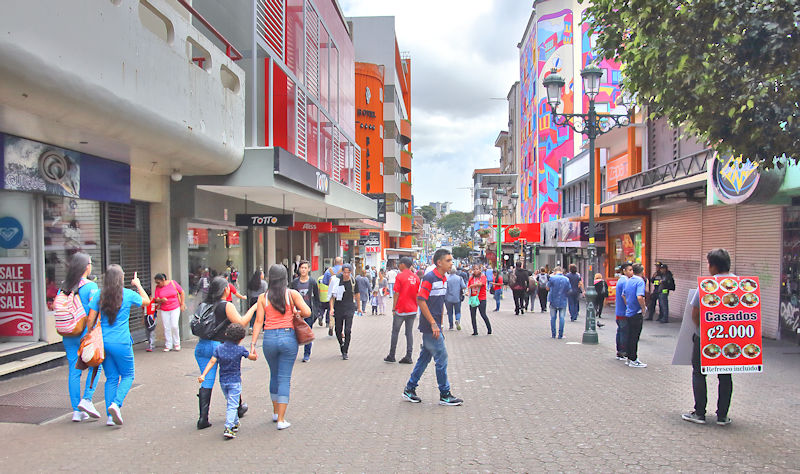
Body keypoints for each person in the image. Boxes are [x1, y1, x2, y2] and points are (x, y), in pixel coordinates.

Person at [85, 265, 150, 426]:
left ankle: (109, 416)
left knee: (111, 378)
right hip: (121, 342)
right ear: (121, 278)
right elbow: (147, 301)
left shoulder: (99, 295)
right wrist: (138, 284)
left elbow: (90, 319)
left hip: (104, 343)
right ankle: (116, 404)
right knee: (128, 375)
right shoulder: (127, 294)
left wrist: (91, 334)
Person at [250, 264, 312, 430]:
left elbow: (258, 322)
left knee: (274, 376)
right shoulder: (292, 294)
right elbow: (308, 312)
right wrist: (296, 312)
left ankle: (276, 412)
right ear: (285, 278)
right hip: (287, 338)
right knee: (284, 378)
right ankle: (281, 420)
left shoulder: (263, 298)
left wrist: (253, 344)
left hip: (269, 338)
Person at [194, 277, 258, 430]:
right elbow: (241, 323)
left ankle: (203, 418)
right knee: (230, 376)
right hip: (219, 345)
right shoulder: (226, 306)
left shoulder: (203, 304)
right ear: (225, 290)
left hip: (201, 346)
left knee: (207, 380)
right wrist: (254, 309)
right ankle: (238, 408)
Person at [402, 248, 463, 406]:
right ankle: (445, 394)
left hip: (435, 326)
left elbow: (439, 303)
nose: (451, 263)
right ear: (439, 262)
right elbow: (421, 300)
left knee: (424, 358)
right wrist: (433, 324)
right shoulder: (430, 278)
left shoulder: (443, 278)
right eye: (448, 261)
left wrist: (440, 324)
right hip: (430, 326)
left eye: (451, 260)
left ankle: (410, 389)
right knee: (441, 358)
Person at [683, 249, 735, 425]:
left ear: (713, 266)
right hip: (731, 338)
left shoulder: (707, 286)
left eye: (708, 264)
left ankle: (699, 413)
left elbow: (695, 312)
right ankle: (722, 415)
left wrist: (702, 328)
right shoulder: (742, 285)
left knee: (699, 372)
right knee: (725, 375)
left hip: (705, 336)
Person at [57, 252, 102, 422]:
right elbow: (95, 311)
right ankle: (87, 399)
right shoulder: (91, 287)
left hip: (68, 333)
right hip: (86, 333)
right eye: (90, 263)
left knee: (74, 370)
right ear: (86, 266)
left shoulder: (64, 286)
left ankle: (76, 410)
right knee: (95, 365)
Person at [198, 323, 257, 439]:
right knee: (233, 404)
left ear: (226, 334)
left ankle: (234, 423)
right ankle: (228, 427)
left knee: (231, 402)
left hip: (223, 381)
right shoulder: (240, 349)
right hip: (235, 381)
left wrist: (203, 374)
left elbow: (212, 361)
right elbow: (251, 357)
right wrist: (254, 354)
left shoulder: (219, 348)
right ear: (241, 339)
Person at [385, 257, 419, 364]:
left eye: (399, 264)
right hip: (412, 309)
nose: (398, 265)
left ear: (403, 264)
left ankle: (392, 355)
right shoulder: (416, 277)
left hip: (401, 309)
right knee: (409, 333)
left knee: (395, 332)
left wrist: (394, 308)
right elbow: (418, 294)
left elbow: (396, 293)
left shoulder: (400, 276)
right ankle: (409, 356)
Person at [328, 264, 360, 359]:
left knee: (348, 330)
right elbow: (331, 296)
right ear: (342, 272)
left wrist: (359, 307)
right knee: (338, 329)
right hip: (338, 308)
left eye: (348, 272)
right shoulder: (336, 280)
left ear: (351, 272)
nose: (346, 274)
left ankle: (345, 350)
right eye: (344, 272)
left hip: (349, 307)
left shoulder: (353, 281)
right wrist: (331, 308)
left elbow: (357, 294)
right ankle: (341, 344)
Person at [290, 260, 318, 363]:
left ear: (309, 269)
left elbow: (316, 297)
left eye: (305, 268)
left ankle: (307, 354)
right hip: (297, 312)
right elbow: (290, 297)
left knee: (307, 333)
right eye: (302, 268)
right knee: (294, 334)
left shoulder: (312, 282)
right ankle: (292, 354)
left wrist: (317, 311)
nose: (303, 270)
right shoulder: (294, 283)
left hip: (308, 312)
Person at [152, 273, 186, 352]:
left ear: (163, 280)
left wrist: (182, 303)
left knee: (174, 325)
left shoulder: (173, 283)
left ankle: (177, 343)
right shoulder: (158, 288)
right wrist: (161, 300)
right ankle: (168, 344)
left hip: (175, 307)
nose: (157, 284)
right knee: (167, 327)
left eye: (158, 282)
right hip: (164, 309)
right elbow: (156, 299)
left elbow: (182, 292)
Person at [622, 263, 647, 368]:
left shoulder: (628, 281)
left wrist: (628, 304)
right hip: (636, 313)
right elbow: (640, 297)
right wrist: (643, 308)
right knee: (634, 337)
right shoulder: (640, 281)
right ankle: (633, 359)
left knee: (629, 335)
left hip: (628, 312)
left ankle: (628, 357)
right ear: (642, 272)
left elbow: (623, 295)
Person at [615, 263, 633, 361]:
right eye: (629, 270)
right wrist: (630, 307)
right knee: (624, 332)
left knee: (620, 331)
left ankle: (620, 351)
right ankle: (622, 351)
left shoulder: (621, 280)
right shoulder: (625, 281)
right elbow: (625, 296)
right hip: (623, 311)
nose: (631, 272)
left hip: (619, 311)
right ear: (624, 271)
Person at [546, 267, 570, 339]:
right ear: (562, 271)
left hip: (553, 300)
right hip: (563, 300)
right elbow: (569, 289)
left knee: (553, 318)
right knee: (562, 318)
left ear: (555, 271)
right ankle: (560, 335)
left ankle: (553, 334)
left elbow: (547, 288)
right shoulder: (566, 279)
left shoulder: (552, 278)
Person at [468, 264, 492, 335]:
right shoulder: (471, 278)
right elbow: (468, 287)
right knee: (473, 315)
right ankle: (475, 331)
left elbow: (482, 284)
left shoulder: (483, 277)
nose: (475, 270)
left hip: (481, 298)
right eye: (474, 269)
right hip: (473, 298)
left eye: (477, 269)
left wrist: (473, 285)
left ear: (480, 270)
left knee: (483, 314)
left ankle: (489, 329)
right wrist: (467, 292)